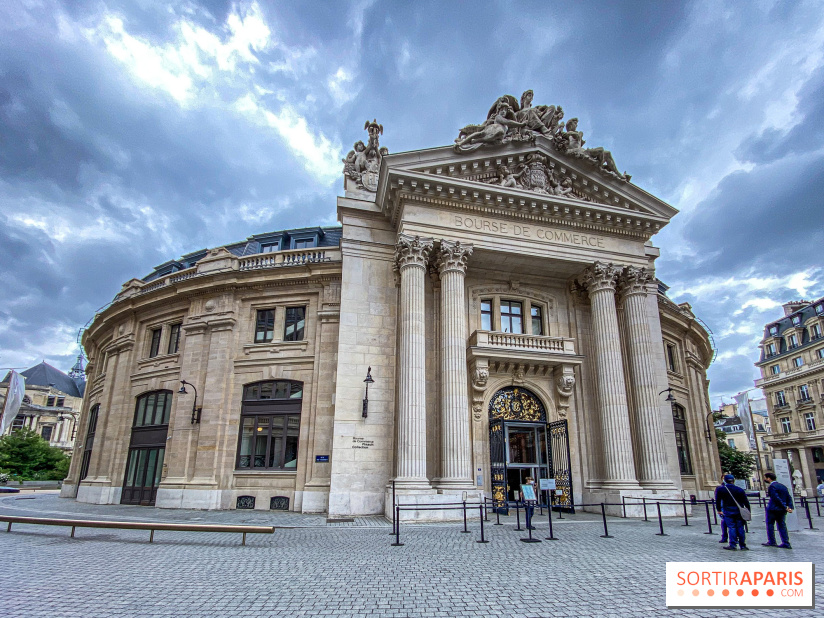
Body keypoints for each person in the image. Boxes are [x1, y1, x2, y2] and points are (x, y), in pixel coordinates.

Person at [715, 474, 750, 550]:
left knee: (732, 527)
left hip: (728, 511)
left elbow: (717, 501)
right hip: (739, 511)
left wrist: (719, 510)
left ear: (725, 480)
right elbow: (746, 502)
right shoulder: (740, 489)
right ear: (733, 480)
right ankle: (743, 545)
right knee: (740, 528)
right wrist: (748, 511)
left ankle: (733, 544)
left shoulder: (721, 489)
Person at [763, 471, 794, 549]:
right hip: (782, 510)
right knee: (782, 525)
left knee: (770, 525)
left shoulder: (772, 487)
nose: (765, 479)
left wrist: (785, 506)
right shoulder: (782, 486)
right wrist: (789, 507)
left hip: (773, 509)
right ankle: (786, 542)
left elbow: (776, 498)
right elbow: (788, 497)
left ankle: (772, 541)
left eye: (765, 478)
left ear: (769, 478)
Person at [713, 479, 729, 544]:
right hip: (726, 508)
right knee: (731, 525)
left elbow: (717, 500)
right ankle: (734, 538)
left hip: (724, 509)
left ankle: (725, 538)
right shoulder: (735, 488)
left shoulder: (719, 488)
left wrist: (719, 510)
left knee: (726, 524)